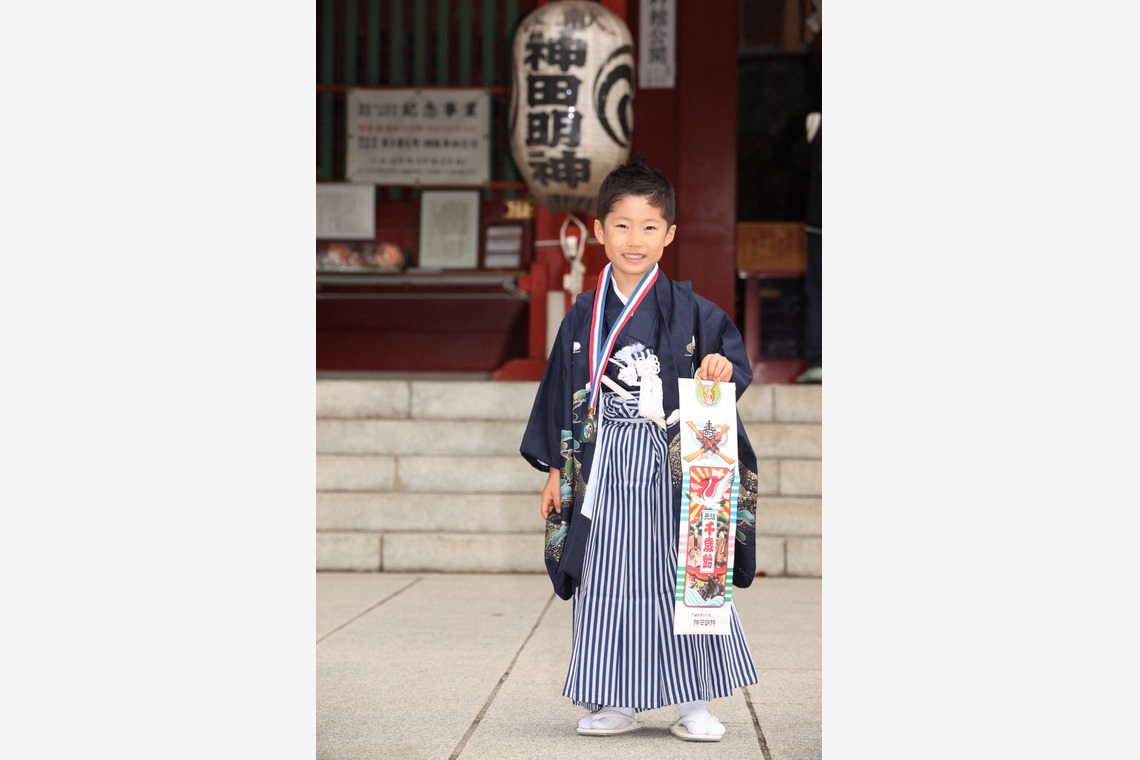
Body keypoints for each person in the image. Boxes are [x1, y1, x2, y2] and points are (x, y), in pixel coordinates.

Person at [520, 156, 760, 742]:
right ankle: (615, 697)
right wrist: (556, 469)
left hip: (674, 464)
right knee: (606, 577)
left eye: (650, 226)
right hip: (601, 464)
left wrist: (719, 369)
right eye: (622, 225)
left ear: (670, 235)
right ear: (599, 230)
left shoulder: (694, 311)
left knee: (687, 572)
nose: (635, 239)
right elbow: (559, 393)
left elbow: (731, 373)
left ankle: (695, 701)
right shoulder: (583, 314)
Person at [794, 113, 822, 384]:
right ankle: (817, 362)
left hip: (819, 222)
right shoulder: (815, 120)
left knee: (817, 293)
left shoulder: (817, 120)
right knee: (817, 292)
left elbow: (799, 163)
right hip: (819, 225)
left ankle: (818, 361)